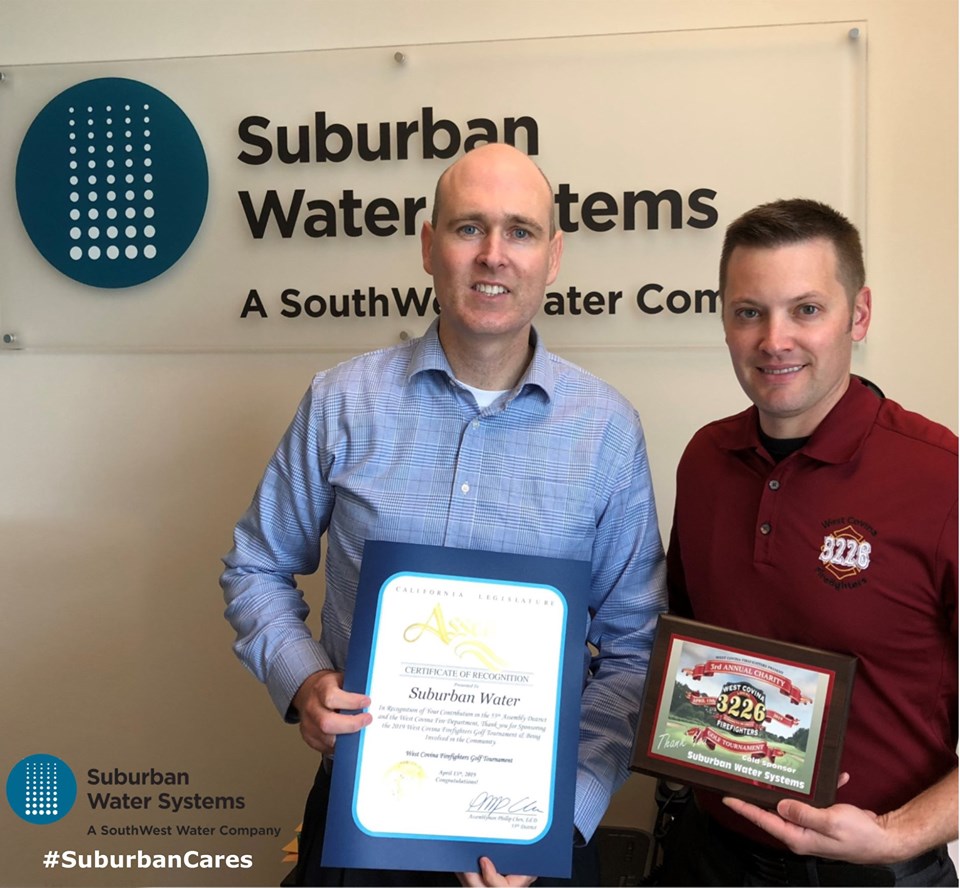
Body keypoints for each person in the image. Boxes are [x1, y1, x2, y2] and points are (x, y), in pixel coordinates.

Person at [220, 142, 667, 887]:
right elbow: (255, 566)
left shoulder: (607, 431)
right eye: (469, 228)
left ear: (553, 256)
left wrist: (562, 817)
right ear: (429, 246)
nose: (494, 254)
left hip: (536, 837)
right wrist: (304, 681)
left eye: (520, 231)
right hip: (362, 822)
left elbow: (635, 647)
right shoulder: (341, 402)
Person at [664, 198, 958, 886]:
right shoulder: (704, 461)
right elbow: (686, 647)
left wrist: (896, 833)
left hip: (877, 870)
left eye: (806, 309)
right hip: (711, 858)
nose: (775, 339)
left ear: (859, 315)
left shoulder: (941, 478)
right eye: (749, 312)